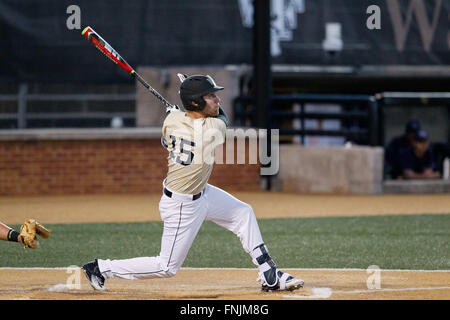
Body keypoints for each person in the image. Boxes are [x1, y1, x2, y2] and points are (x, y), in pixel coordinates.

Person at [82, 74, 304, 292]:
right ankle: (101, 268)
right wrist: (184, 109)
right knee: (166, 266)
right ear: (196, 102)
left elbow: (169, 136)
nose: (217, 100)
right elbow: (223, 118)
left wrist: (181, 112)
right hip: (182, 205)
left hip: (203, 192)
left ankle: (269, 273)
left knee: (242, 213)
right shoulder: (212, 129)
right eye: (210, 96)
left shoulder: (170, 121)